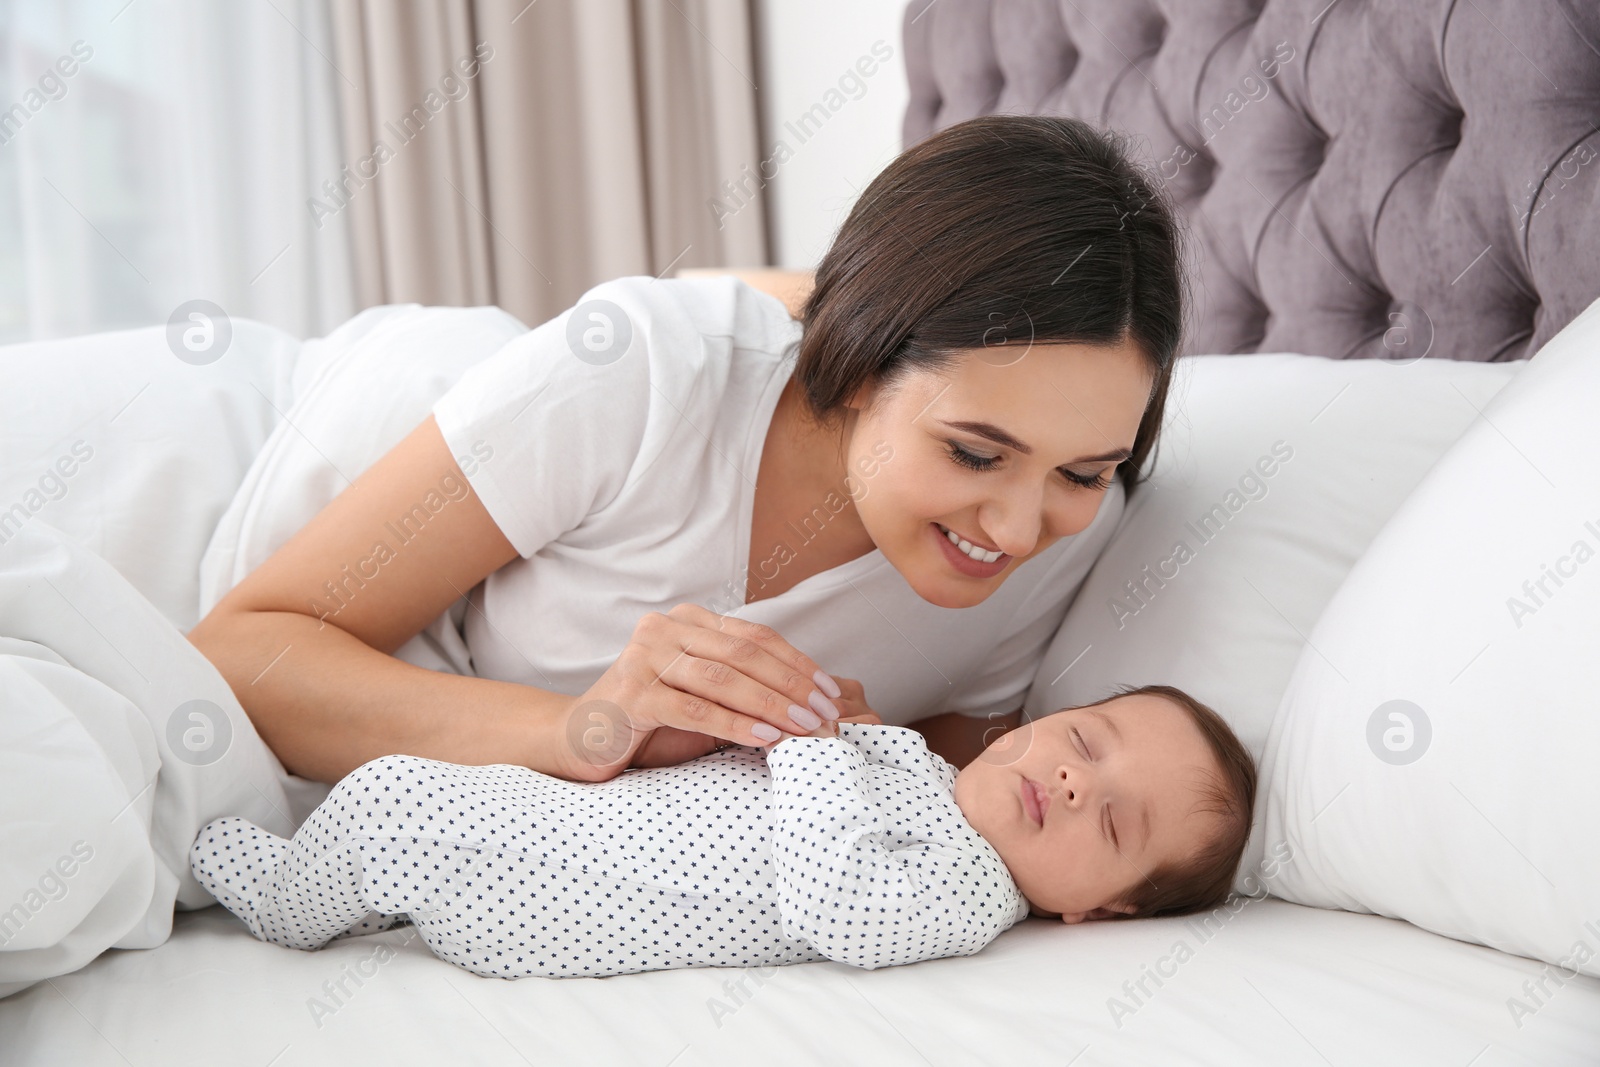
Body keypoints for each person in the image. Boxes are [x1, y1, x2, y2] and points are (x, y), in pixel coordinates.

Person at [184, 113, 1188, 787]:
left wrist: (862, 745)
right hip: (231, 446)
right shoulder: (643, 377)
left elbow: (959, 740)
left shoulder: (1076, 540)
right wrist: (585, 726)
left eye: (1082, 470)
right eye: (974, 453)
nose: (1018, 527)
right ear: (857, 355)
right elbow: (242, 650)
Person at [188, 684, 1257, 978]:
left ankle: (286, 904)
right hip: (587, 826)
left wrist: (806, 739)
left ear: (1095, 908)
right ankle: (325, 875)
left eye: (1111, 819)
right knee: (421, 797)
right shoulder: (925, 766)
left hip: (581, 898)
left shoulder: (970, 895)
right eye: (1083, 737)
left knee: (393, 802)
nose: (1072, 780)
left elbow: (837, 899)